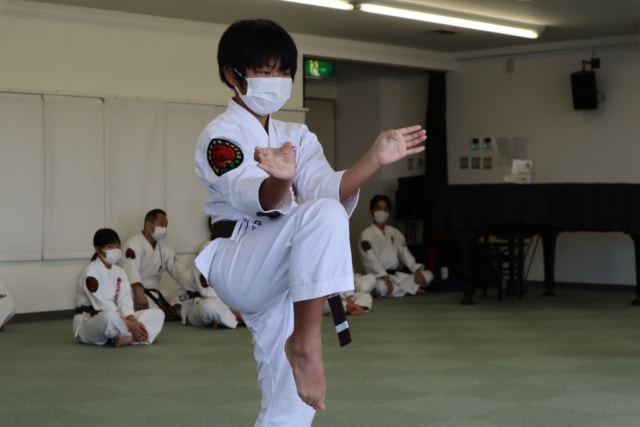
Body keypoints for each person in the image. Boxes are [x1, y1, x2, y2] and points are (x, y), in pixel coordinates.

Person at [193, 19, 426, 427]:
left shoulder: (296, 135)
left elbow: (327, 190)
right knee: (322, 215)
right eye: (265, 72)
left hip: (285, 266)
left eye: (285, 72)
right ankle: (306, 342)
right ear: (233, 75)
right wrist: (282, 179)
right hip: (241, 259)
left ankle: (300, 348)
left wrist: (373, 160)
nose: (278, 81)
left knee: (292, 406)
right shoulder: (221, 137)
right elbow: (258, 199)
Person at [73, 228, 164, 347]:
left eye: (117, 246)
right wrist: (130, 325)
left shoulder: (120, 272)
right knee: (109, 317)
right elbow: (103, 306)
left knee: (158, 314)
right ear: (98, 249)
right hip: (90, 322)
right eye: (110, 247)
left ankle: (128, 338)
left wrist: (133, 321)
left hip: (119, 317)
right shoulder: (90, 273)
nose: (115, 250)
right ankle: (131, 335)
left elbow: (125, 302)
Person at [359, 194, 434, 297]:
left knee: (428, 275)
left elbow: (404, 253)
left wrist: (416, 270)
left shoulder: (395, 232)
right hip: (379, 277)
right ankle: (410, 289)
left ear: (388, 212)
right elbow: (370, 260)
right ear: (371, 211)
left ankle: (402, 289)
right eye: (378, 208)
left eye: (385, 209)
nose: (382, 212)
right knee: (381, 287)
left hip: (396, 276)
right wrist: (385, 277)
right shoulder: (366, 235)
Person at [120, 209, 191, 318]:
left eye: (166, 225)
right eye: (161, 224)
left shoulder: (164, 248)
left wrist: (193, 286)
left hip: (157, 294)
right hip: (136, 293)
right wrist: (139, 292)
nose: (164, 228)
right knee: (155, 312)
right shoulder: (133, 244)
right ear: (148, 225)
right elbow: (131, 270)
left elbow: (179, 271)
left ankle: (172, 308)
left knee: (188, 294)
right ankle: (167, 311)